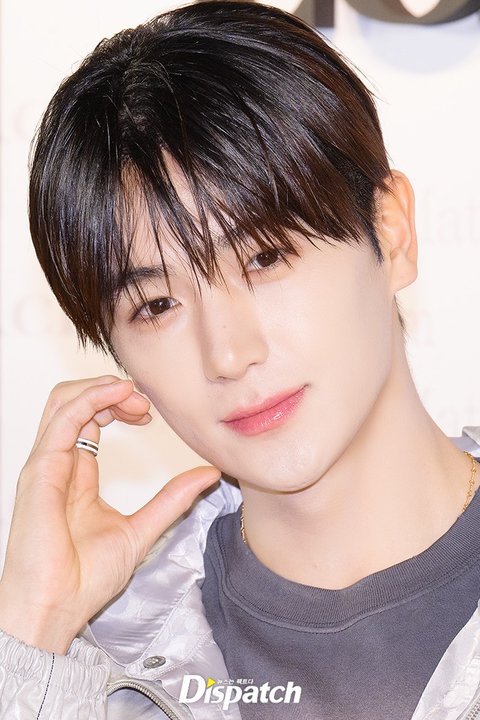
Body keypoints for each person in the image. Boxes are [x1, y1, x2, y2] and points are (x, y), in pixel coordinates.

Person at [0, 1, 479, 718]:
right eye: (156, 305)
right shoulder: (92, 665)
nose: (227, 353)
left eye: (265, 257)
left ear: (392, 233)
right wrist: (33, 641)